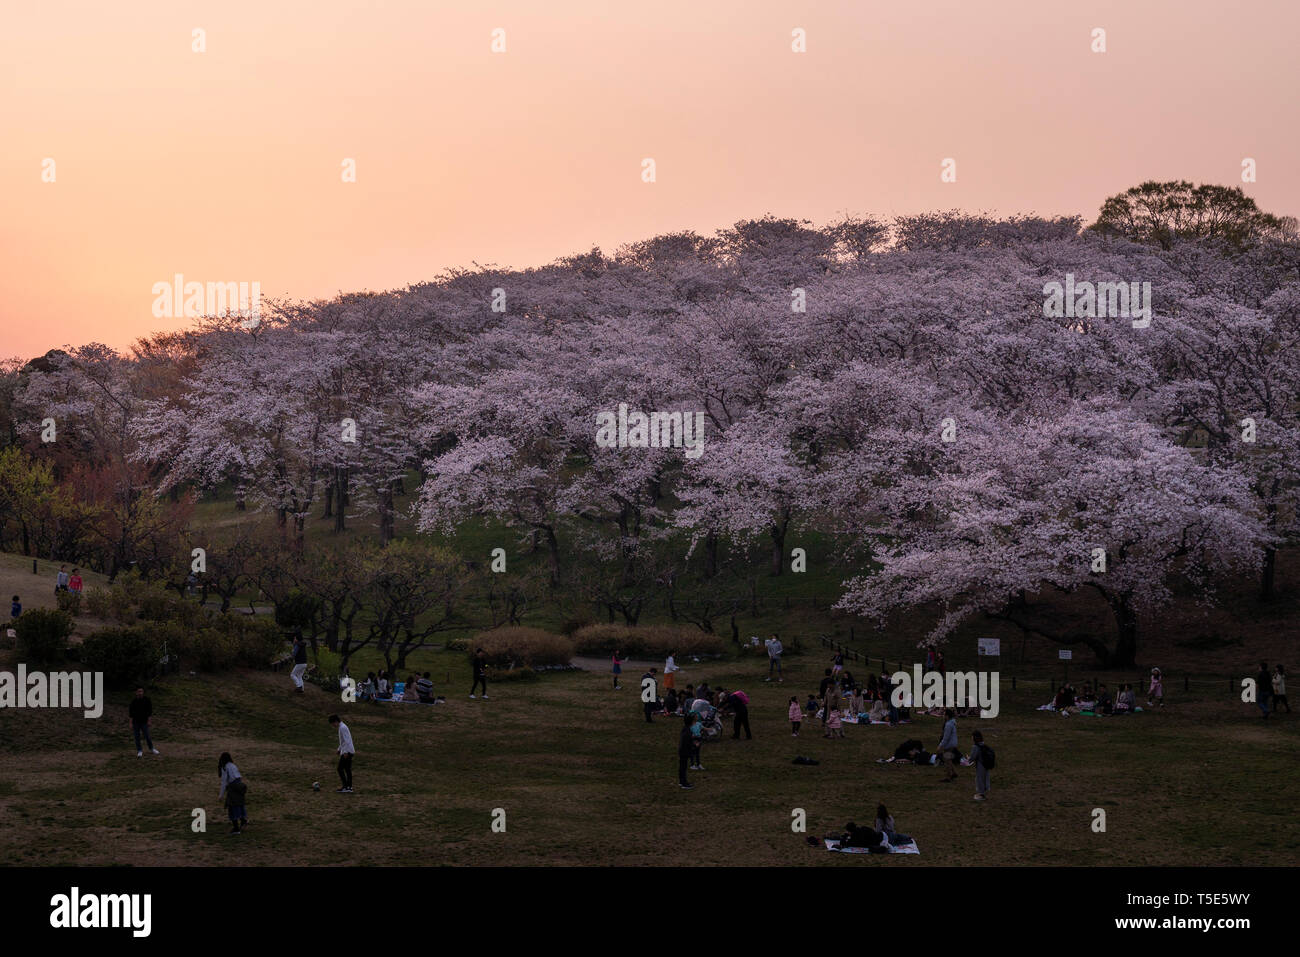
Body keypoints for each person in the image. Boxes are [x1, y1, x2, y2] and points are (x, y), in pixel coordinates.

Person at [217, 752, 247, 835]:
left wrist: (221, 795)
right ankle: (243, 820)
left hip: (233, 787)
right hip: (240, 786)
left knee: (231, 806)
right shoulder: (233, 765)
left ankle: (236, 828)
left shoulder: (225, 767)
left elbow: (224, 782)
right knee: (240, 804)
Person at [128, 687, 160, 757]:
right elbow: (131, 714)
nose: (140, 693)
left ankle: (151, 748)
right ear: (136, 693)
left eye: (141, 691)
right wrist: (130, 723)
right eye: (138, 691)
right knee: (137, 737)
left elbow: (149, 711)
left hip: (144, 722)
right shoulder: (133, 702)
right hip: (135, 722)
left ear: (143, 692)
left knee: (147, 736)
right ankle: (139, 750)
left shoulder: (147, 700)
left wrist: (149, 721)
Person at [330, 715, 354, 793]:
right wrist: (339, 749)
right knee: (347, 769)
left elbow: (347, 740)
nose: (333, 725)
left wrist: (346, 752)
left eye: (333, 723)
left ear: (336, 721)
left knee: (340, 768)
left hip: (347, 752)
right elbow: (343, 741)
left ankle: (346, 787)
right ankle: (349, 787)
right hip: (348, 751)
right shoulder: (342, 727)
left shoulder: (342, 728)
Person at [937, 708, 959, 780]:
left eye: (944, 714)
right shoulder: (952, 723)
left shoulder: (948, 725)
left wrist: (940, 746)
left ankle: (948, 776)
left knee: (947, 760)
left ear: (947, 716)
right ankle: (954, 772)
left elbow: (946, 738)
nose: (943, 715)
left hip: (949, 745)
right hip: (953, 743)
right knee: (949, 759)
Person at [969, 731, 992, 801]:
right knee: (985, 778)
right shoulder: (983, 745)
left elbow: (972, 758)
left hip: (980, 765)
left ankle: (981, 794)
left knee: (979, 779)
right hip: (986, 765)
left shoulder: (975, 747)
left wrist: (968, 760)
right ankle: (984, 792)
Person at [677, 713, 695, 789]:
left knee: (682, 767)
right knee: (683, 768)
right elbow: (687, 742)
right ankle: (684, 783)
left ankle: (681, 781)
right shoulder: (688, 731)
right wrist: (694, 745)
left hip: (682, 751)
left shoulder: (685, 729)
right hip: (684, 751)